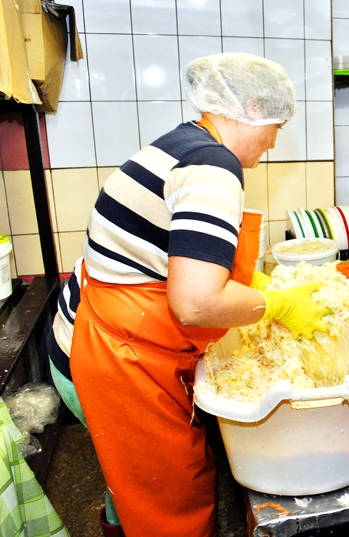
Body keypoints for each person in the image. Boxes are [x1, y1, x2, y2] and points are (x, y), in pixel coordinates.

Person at [46, 52, 330, 537]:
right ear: (255, 109)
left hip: (87, 335)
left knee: (132, 485)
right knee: (170, 500)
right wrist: (277, 306)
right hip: (117, 358)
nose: (273, 143)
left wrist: (251, 284)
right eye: (277, 128)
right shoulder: (214, 165)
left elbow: (167, 255)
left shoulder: (180, 142)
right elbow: (195, 302)